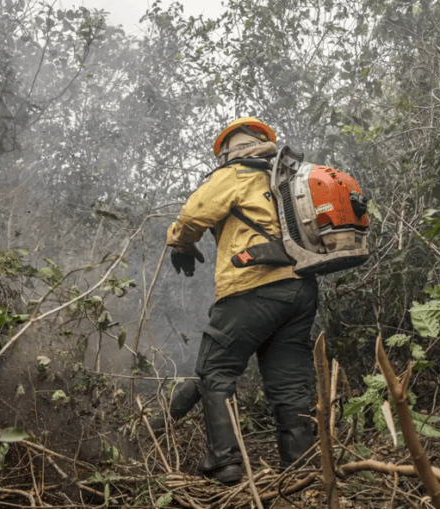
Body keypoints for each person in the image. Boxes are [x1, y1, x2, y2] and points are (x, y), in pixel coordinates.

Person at [166, 117, 318, 485]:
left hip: (253, 283)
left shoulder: (235, 174)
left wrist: (180, 243)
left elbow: (192, 216)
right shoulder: (285, 180)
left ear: (229, 151)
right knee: (290, 385)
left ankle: (225, 462)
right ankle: (302, 470)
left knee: (216, 370)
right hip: (300, 289)